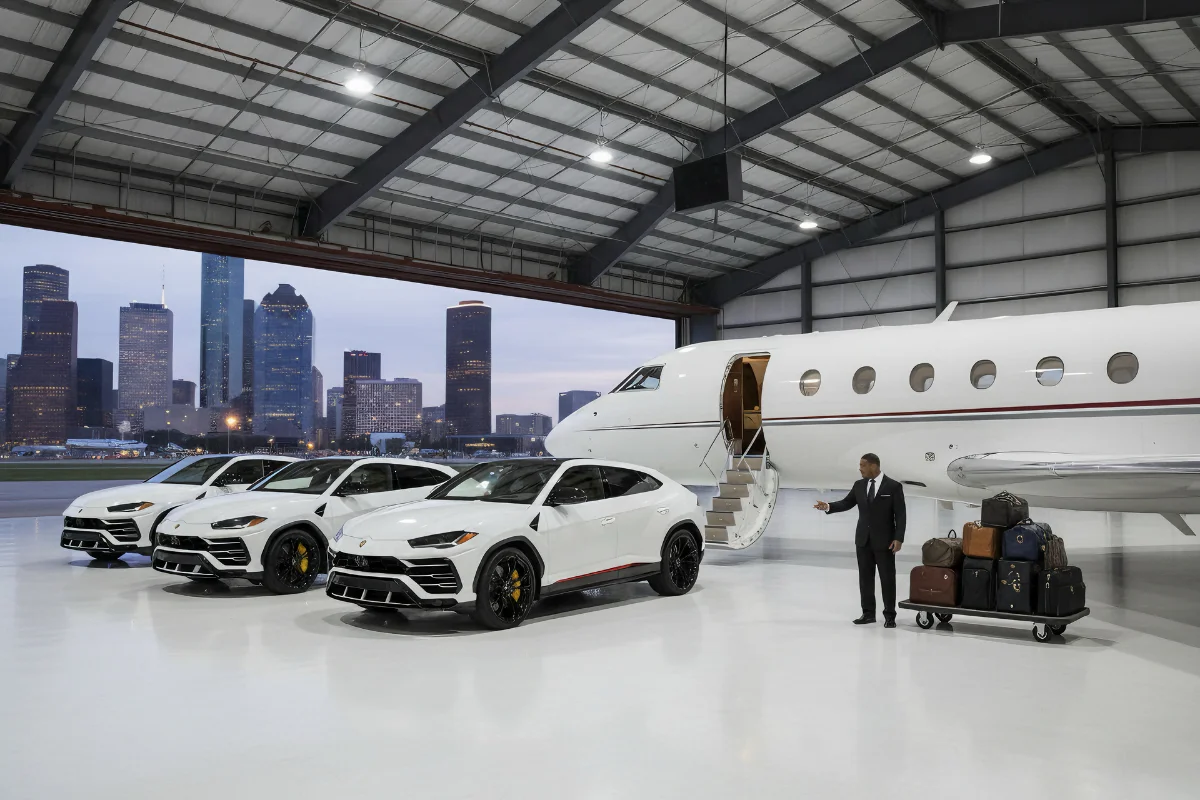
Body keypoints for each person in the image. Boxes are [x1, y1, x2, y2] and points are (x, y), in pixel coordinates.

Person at [813, 453, 906, 628]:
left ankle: (890, 615)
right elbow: (847, 503)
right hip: (863, 540)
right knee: (865, 578)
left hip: (885, 541)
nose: (860, 468)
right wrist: (828, 506)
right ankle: (868, 614)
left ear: (873, 466)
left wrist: (898, 538)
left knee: (887, 579)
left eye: (863, 465)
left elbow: (900, 514)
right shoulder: (859, 485)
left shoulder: (893, 486)